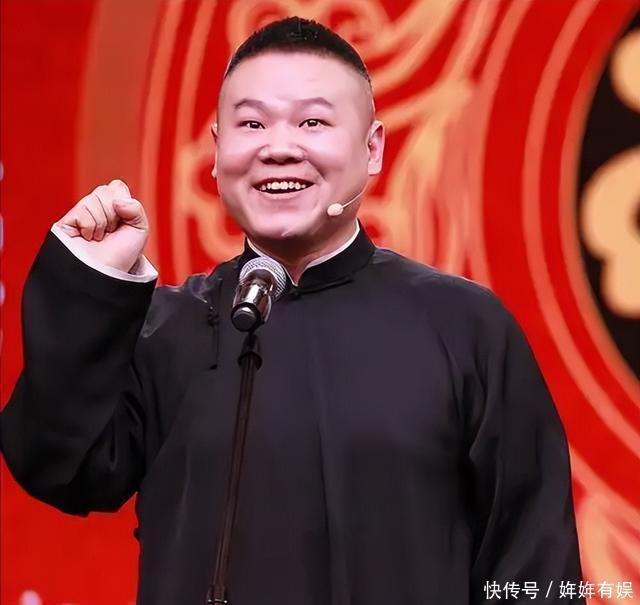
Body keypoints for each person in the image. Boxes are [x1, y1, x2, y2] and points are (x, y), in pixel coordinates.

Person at [1, 17, 585, 605]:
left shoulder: (463, 327)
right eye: (252, 124)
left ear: (372, 148)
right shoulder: (169, 331)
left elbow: (535, 562)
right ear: (217, 151)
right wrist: (93, 282)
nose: (279, 148)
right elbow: (59, 467)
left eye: (313, 122)